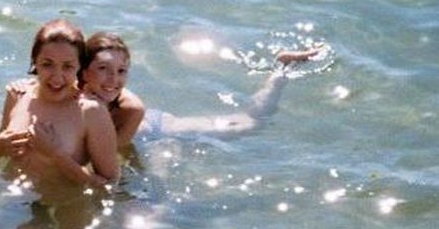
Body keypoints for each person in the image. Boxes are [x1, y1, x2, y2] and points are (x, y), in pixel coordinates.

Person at [79, 32, 322, 146]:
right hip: (147, 139)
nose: (113, 79)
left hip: (161, 129)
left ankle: (281, 69)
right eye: (103, 69)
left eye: (121, 71)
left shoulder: (129, 105)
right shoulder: (74, 98)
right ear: (84, 71)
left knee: (251, 123)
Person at [0, 19, 119, 187]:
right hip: (12, 196)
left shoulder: (91, 111)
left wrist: (56, 155)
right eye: (47, 64)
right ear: (35, 62)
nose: (57, 77)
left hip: (64, 201)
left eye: (68, 66)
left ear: (80, 67)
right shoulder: (18, 95)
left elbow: (109, 186)